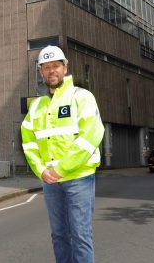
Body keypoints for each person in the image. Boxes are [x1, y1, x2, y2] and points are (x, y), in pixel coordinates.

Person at [21, 45, 104, 263]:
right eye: (46, 67)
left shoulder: (82, 97)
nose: (51, 71)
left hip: (79, 178)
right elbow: (29, 144)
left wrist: (59, 169)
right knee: (58, 235)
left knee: (80, 235)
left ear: (65, 68)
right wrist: (41, 170)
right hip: (51, 182)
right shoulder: (36, 106)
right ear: (40, 72)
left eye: (55, 66)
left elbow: (91, 136)